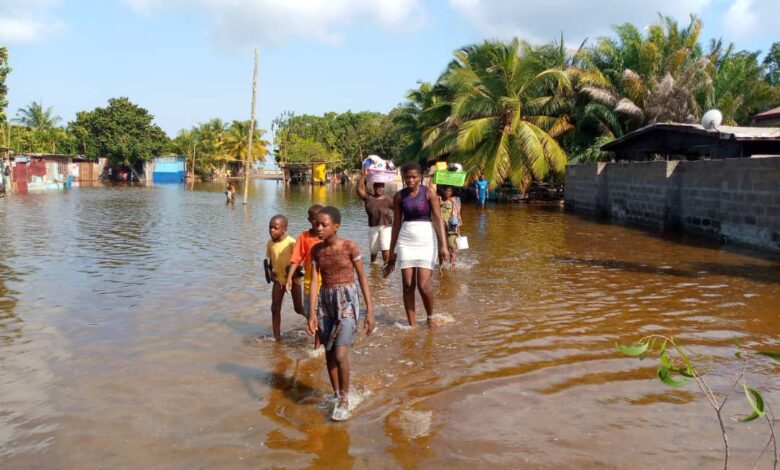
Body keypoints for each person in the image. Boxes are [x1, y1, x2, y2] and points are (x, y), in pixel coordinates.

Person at [306, 206, 375, 421]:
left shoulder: (349, 246)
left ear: (336, 226)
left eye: (323, 225)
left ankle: (345, 399)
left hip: (346, 300)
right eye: (316, 224)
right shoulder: (316, 251)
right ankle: (336, 395)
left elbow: (362, 277)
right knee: (328, 351)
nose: (318, 228)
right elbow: (315, 281)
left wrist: (370, 311)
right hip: (326, 302)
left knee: (340, 354)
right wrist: (312, 313)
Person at [384, 162, 450, 326]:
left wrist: (443, 246)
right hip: (406, 241)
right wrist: (392, 250)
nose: (410, 180)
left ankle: (430, 317)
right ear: (403, 178)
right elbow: (397, 224)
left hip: (426, 240)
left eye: (414, 177)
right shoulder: (399, 196)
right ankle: (411, 325)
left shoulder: (429, 193)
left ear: (420, 177)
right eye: (407, 177)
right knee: (407, 285)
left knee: (423, 284)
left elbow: (438, 219)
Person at [286, 205, 324, 347]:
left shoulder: (327, 237)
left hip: (326, 285)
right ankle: (319, 344)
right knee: (310, 316)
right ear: (309, 220)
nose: (318, 224)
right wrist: (290, 277)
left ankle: (317, 347)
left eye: (321, 221)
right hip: (309, 285)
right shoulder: (303, 237)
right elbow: (296, 259)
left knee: (320, 317)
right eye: (315, 220)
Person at [266, 215, 303, 341]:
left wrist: (294, 275)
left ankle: (315, 323)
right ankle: (277, 337)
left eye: (275, 228)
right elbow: (271, 260)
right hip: (278, 280)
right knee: (275, 308)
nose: (272, 230)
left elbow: (299, 262)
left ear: (284, 229)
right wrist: (270, 271)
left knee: (298, 308)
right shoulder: (270, 244)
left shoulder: (291, 243)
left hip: (293, 280)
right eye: (270, 227)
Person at [356, 169, 394, 263]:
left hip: (386, 227)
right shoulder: (369, 198)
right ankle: (373, 265)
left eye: (381, 187)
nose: (379, 189)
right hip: (373, 227)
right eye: (377, 187)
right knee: (373, 250)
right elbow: (359, 189)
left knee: (385, 247)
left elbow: (398, 209)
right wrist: (364, 175)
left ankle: (386, 266)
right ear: (374, 187)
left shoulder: (388, 199)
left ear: (384, 188)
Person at [439, 186, 462, 265]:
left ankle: (453, 265)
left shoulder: (455, 200)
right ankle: (441, 266)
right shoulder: (439, 200)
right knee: (441, 247)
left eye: (449, 191)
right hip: (441, 227)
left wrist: (459, 222)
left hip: (452, 226)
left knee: (452, 246)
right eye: (446, 190)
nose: (447, 192)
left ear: (452, 192)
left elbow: (458, 213)